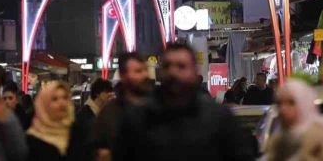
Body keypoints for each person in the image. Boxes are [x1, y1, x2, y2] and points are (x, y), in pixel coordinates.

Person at [113, 42, 255, 161]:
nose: (173, 72)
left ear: (194, 71)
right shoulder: (138, 118)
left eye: (181, 66)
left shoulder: (218, 118)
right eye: (168, 66)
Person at [264, 79, 323, 161]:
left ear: (304, 104)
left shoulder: (322, 139)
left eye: (291, 103)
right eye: (279, 103)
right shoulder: (277, 142)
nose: (283, 109)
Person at [92, 52, 151, 161]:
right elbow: (96, 148)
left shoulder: (159, 107)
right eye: (138, 71)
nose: (144, 75)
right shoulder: (109, 113)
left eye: (144, 70)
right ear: (124, 76)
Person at [26, 81, 75, 160]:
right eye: (55, 99)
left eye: (65, 97)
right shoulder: (33, 140)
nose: (61, 103)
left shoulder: (76, 131)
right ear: (45, 105)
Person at [68, 78, 113, 160]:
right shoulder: (84, 117)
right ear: (97, 94)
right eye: (106, 92)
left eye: (111, 91)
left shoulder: (104, 113)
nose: (110, 94)